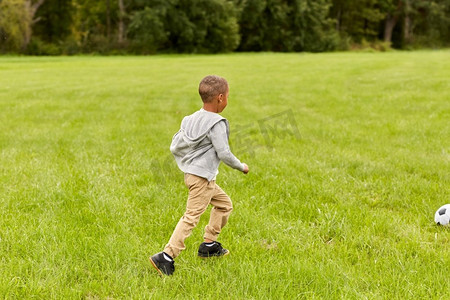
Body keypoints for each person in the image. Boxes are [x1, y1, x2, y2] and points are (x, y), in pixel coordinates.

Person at [150, 75, 249, 276]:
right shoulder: (216, 123)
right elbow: (224, 153)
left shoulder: (190, 119)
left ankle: (209, 245)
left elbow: (176, 145)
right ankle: (166, 256)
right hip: (202, 179)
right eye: (228, 96)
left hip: (195, 176)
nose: (228, 100)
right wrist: (241, 166)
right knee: (191, 217)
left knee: (224, 205)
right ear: (220, 98)